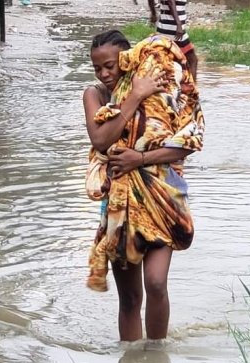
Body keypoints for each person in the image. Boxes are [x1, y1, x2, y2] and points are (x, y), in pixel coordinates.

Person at [83, 30, 205, 342]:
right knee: (130, 299)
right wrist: (133, 96)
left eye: (110, 65)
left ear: (128, 60)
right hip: (119, 205)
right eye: (98, 68)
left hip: (162, 197)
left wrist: (139, 158)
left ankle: (157, 360)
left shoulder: (161, 91)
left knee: (155, 282)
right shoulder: (94, 95)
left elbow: (187, 142)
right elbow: (100, 140)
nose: (105, 73)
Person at [148, 0, 198, 80]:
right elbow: (171, 1)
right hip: (176, 33)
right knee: (192, 60)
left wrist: (154, 14)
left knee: (168, 63)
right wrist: (179, 25)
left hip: (162, 30)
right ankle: (192, 93)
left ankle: (172, 89)